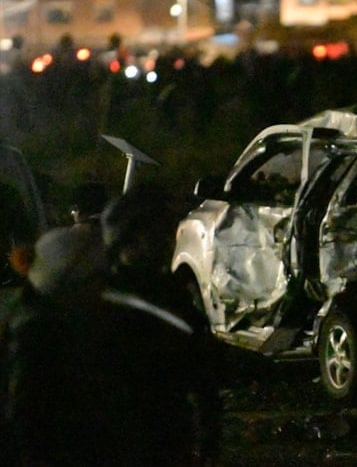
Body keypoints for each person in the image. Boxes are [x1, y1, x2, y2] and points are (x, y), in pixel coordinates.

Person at [3, 183, 221, 465]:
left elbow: (198, 371)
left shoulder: (168, 297)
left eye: (166, 232)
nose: (163, 243)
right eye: (151, 235)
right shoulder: (89, 310)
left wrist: (206, 431)